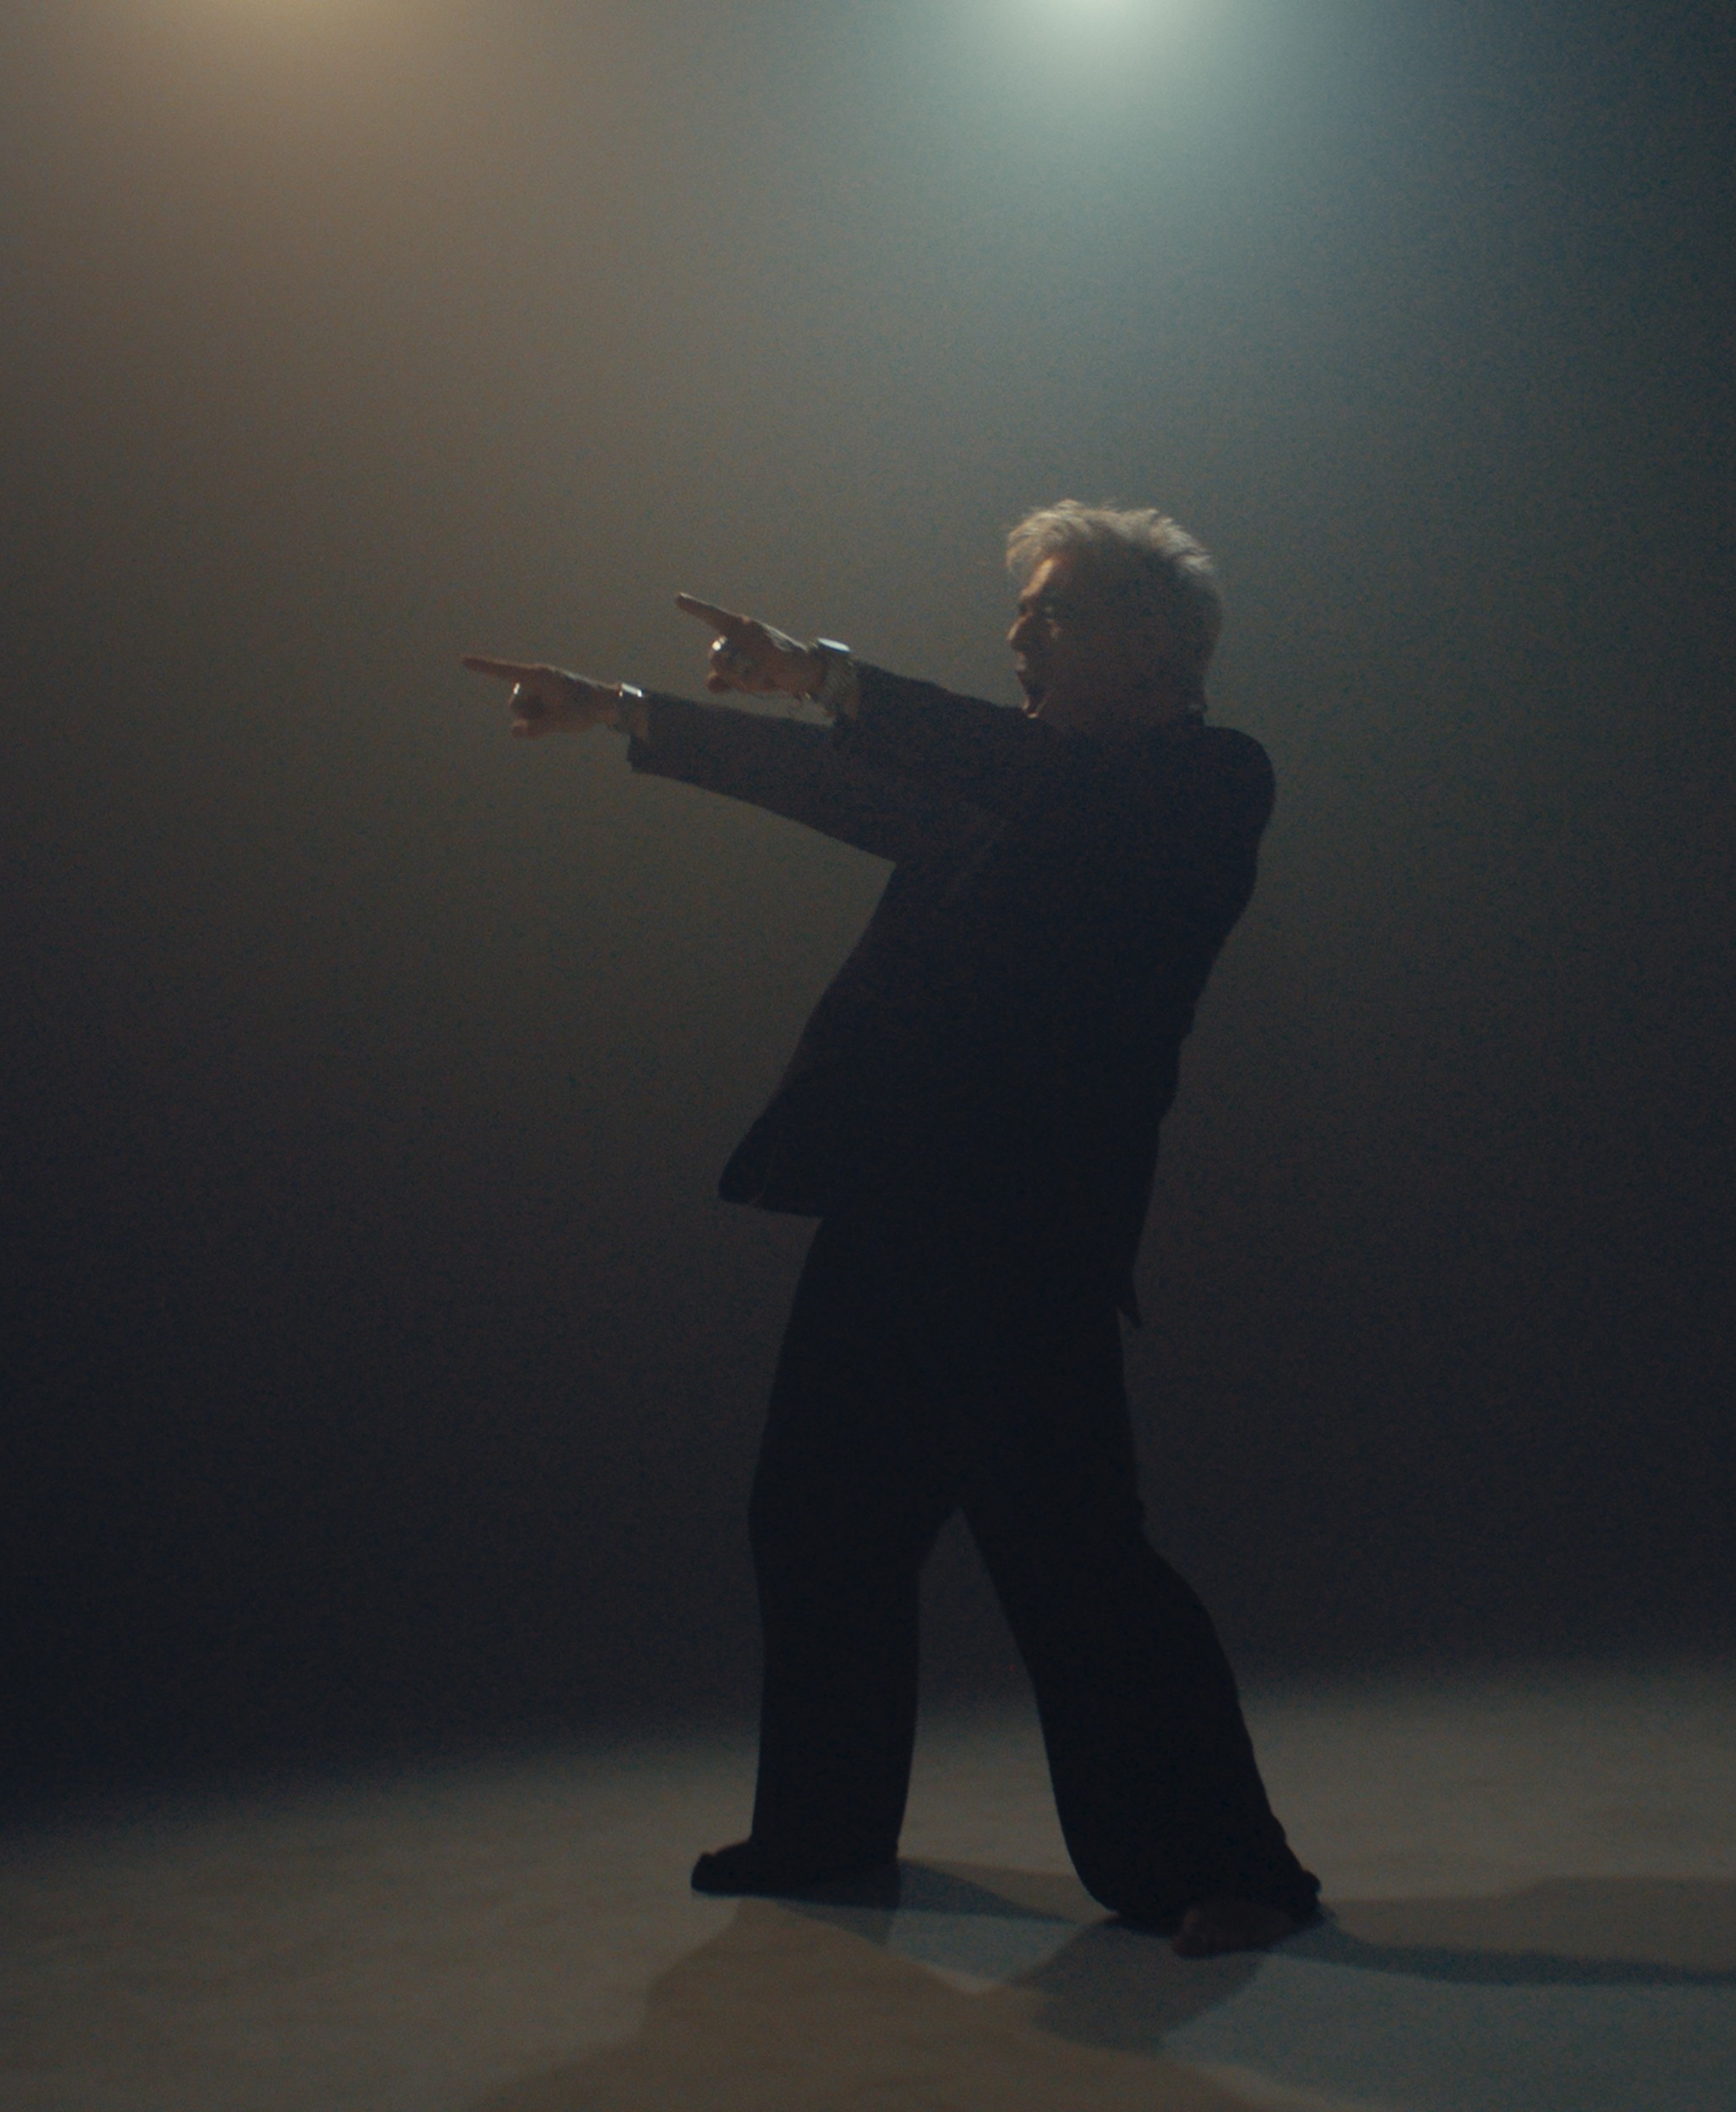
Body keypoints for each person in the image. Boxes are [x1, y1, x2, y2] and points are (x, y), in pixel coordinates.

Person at [460, 502, 1318, 1959]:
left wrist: (828, 673)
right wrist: (627, 711)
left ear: (1151, 646)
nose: (1018, 633)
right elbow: (832, 786)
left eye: (1051, 612)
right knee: (817, 1520)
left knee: (1075, 1553)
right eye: (1023, 611)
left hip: (1020, 1233)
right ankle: (827, 1829)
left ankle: (1233, 1868)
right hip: (893, 1203)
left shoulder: (1205, 781)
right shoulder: (1012, 784)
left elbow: (1017, 776)